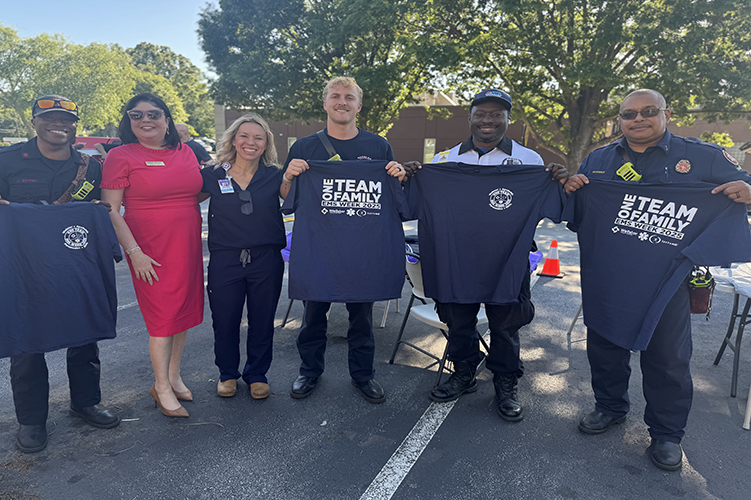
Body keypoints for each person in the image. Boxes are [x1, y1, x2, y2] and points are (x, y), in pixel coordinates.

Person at [565, 89, 751, 470]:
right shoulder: (599, 159)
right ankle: (610, 407)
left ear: (666, 114)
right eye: (628, 114)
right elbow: (579, 209)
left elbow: (744, 187)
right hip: (607, 277)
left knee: (668, 359)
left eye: (648, 111)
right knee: (604, 348)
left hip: (668, 281)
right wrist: (573, 187)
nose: (638, 119)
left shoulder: (703, 156)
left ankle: (667, 434)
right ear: (619, 120)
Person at [403, 89, 568, 422]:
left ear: (508, 119)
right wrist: (411, 177)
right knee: (459, 321)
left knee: (506, 326)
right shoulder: (443, 161)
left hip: (506, 260)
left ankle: (505, 383)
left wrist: (558, 181)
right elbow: (415, 201)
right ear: (470, 118)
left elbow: (553, 206)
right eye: (482, 113)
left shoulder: (530, 162)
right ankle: (463, 372)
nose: (488, 120)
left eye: (497, 114)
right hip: (455, 259)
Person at [0, 95, 120, 453]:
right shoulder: (4, 162)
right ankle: (31, 419)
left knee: (84, 336)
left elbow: (102, 210)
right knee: (26, 341)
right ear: (34, 121)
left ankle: (85, 402)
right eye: (50, 118)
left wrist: (97, 212)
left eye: (67, 120)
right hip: (22, 270)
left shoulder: (90, 167)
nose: (59, 125)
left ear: (75, 126)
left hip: (74, 266)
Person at [282, 76, 405, 403]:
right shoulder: (304, 147)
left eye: (349, 97)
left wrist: (398, 174)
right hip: (319, 250)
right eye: (335, 96)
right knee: (312, 318)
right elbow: (285, 200)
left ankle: (363, 375)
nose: (342, 102)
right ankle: (309, 372)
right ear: (325, 103)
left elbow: (393, 195)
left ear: (358, 105)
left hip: (362, 251)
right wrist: (288, 175)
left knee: (361, 320)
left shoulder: (378, 146)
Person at [101, 93, 204, 418]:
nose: (145, 120)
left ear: (167, 119)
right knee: (162, 318)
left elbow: (195, 192)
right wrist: (134, 253)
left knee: (183, 312)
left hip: (186, 245)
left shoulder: (185, 151)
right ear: (128, 121)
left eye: (153, 114)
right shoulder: (120, 155)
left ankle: (173, 376)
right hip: (149, 249)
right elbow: (111, 211)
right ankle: (160, 386)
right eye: (137, 115)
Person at [199, 114, 286, 400]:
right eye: (245, 136)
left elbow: (302, 197)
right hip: (226, 259)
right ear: (234, 140)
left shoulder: (275, 174)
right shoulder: (213, 174)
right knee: (225, 320)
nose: (251, 142)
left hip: (266, 259)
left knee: (262, 319)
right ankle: (227, 373)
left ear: (266, 144)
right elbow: (180, 198)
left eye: (258, 138)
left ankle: (257, 374)